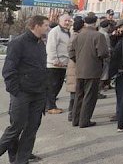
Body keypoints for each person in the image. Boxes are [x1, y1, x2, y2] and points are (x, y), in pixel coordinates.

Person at [0, 15, 49, 164]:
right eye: (46, 25)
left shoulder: (40, 44)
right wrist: (16, 91)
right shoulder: (18, 43)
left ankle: (21, 160)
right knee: (16, 127)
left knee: (31, 129)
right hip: (22, 93)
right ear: (36, 25)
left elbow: (41, 69)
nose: (48, 28)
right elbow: (8, 70)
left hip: (39, 93)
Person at [69, 12, 110, 128]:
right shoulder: (98, 36)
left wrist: (78, 61)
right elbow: (103, 53)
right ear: (95, 22)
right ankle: (84, 121)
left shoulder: (78, 35)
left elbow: (71, 52)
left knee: (79, 95)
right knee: (89, 96)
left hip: (80, 69)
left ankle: (75, 120)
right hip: (93, 69)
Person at [45, 13, 73, 114]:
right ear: (59, 21)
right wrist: (54, 60)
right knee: (53, 86)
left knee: (58, 85)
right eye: (65, 20)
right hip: (55, 64)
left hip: (64, 63)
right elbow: (51, 47)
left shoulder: (69, 31)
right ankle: (50, 106)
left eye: (69, 20)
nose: (67, 22)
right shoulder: (55, 31)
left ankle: (49, 105)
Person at [108, 19, 123, 122]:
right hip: (122, 68)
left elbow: (116, 53)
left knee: (122, 93)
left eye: (119, 27)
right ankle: (120, 113)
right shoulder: (121, 37)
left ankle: (121, 114)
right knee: (121, 93)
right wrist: (114, 37)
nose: (118, 29)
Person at [65, 15, 85, 122]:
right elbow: (71, 52)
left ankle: (72, 113)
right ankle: (72, 114)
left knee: (75, 92)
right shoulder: (75, 37)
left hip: (74, 67)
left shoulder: (75, 36)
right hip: (74, 67)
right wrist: (79, 60)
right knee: (74, 92)